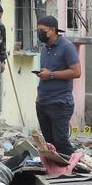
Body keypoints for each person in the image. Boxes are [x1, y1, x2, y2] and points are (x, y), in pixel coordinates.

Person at [35, 15, 81, 156]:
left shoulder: (67, 47)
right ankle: (57, 172)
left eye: (42, 30)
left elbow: (76, 72)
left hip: (60, 102)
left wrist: (51, 75)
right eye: (38, 30)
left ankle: (75, 167)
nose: (39, 33)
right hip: (43, 101)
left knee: (61, 141)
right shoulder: (44, 49)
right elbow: (48, 71)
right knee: (49, 142)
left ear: (53, 30)